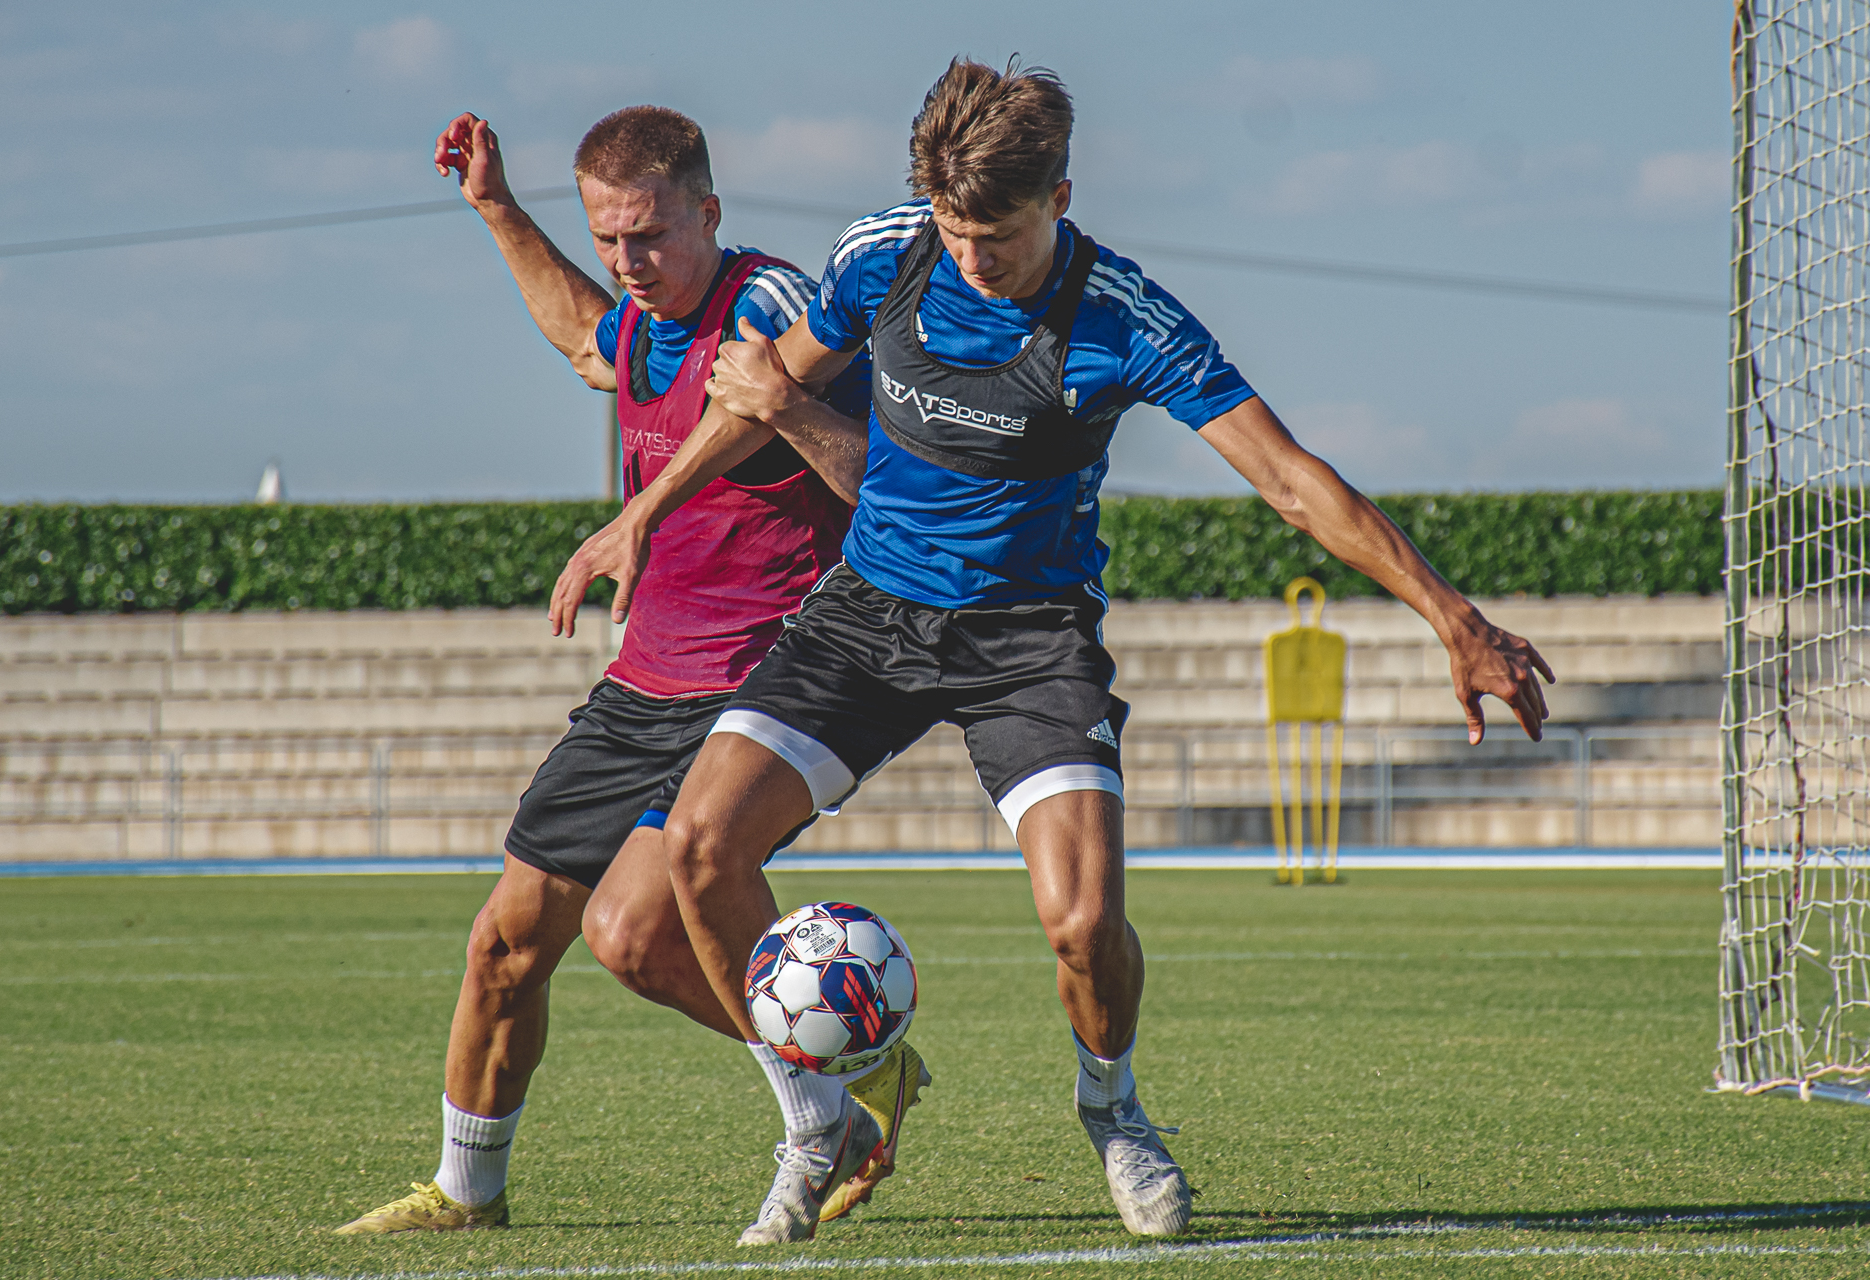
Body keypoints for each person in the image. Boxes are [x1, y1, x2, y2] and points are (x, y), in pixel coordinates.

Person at [667, 57, 1556, 1239]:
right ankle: (815, 1120)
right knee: (700, 848)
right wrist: (642, 512)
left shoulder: (1126, 319)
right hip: (867, 616)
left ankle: (1114, 1105)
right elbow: (772, 382)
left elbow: (1291, 480)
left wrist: (1454, 616)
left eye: (998, 234)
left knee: (1084, 923)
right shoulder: (879, 255)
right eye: (954, 229)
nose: (972, 256)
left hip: (1030, 641)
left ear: (1061, 197)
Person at [334, 105, 928, 1241]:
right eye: (609, 238)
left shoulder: (773, 306)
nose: (628, 261)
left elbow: (864, 474)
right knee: (505, 943)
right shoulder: (644, 323)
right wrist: (498, 210)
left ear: (709, 212)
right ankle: (466, 1191)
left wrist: (640, 514)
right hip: (642, 682)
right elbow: (583, 340)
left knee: (635, 932)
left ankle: (834, 1100)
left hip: (762, 679)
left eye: (649, 234)